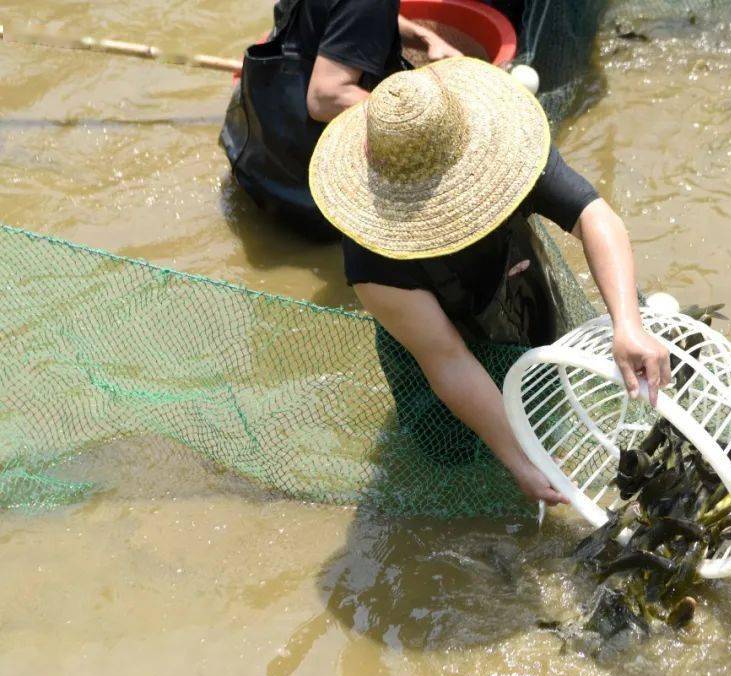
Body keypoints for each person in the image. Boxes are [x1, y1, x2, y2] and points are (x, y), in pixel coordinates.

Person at [309, 57, 671, 506]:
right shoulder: (370, 256)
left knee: (546, 406)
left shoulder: (510, 148)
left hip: (514, 288)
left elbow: (594, 216)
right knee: (455, 461)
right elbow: (447, 360)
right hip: (432, 354)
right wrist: (519, 459)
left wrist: (627, 324)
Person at [221, 0, 462, 230]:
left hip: (257, 161)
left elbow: (349, 16)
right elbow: (325, 98)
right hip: (307, 194)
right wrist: (416, 117)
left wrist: (424, 38)